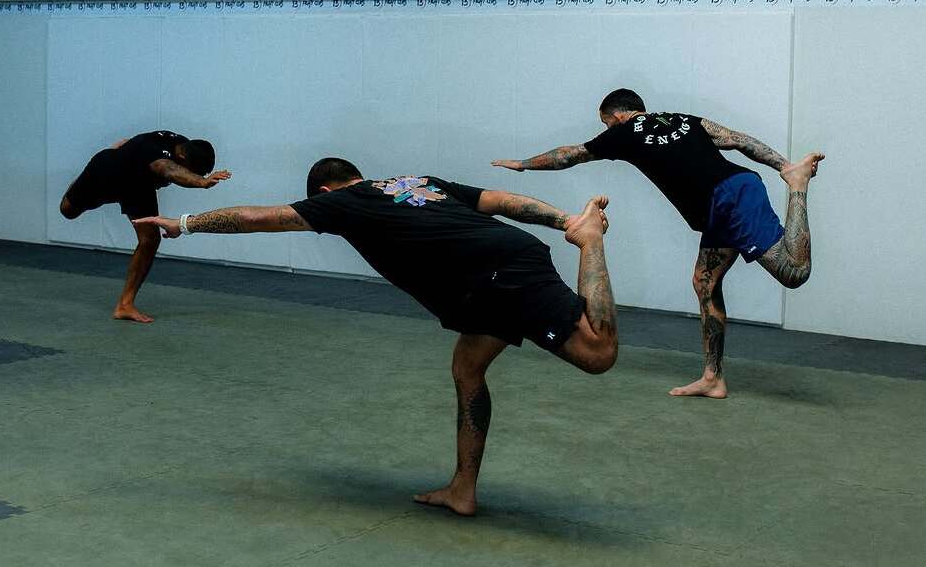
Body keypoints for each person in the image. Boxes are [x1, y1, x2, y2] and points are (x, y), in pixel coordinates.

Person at [135, 157, 618, 516]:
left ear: (325, 191)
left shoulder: (341, 203)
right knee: (468, 366)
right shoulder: (417, 181)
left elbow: (260, 218)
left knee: (598, 354)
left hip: (494, 277)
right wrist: (561, 219)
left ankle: (591, 242)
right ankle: (462, 490)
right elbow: (498, 200)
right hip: (493, 273)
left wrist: (183, 224)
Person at [492, 88, 824, 399]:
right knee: (704, 282)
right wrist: (782, 163)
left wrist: (523, 165)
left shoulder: (623, 132)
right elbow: (738, 140)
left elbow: (571, 155)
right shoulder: (683, 119)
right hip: (722, 203)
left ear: (618, 116)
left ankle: (798, 186)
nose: (607, 129)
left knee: (793, 271)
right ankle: (713, 378)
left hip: (728, 199)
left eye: (606, 123)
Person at [60, 130, 232, 323]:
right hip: (106, 174)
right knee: (67, 211)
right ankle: (81, 180)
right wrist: (201, 182)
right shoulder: (158, 156)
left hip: (137, 186)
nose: (188, 174)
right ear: (181, 156)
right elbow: (168, 170)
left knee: (150, 239)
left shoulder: (185, 146)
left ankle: (125, 305)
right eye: (189, 170)